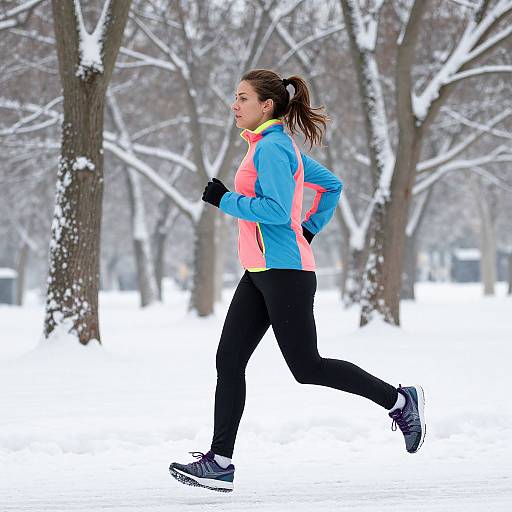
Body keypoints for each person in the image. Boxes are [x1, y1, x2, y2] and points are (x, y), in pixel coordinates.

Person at [169, 69, 426, 493]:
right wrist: (305, 227)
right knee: (229, 361)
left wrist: (224, 200)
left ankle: (401, 401)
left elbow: (272, 209)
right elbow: (330, 185)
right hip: (260, 272)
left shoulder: (271, 148)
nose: (234, 105)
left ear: (266, 105)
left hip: (285, 274)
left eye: (242, 98)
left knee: (307, 367)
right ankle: (221, 461)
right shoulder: (269, 146)